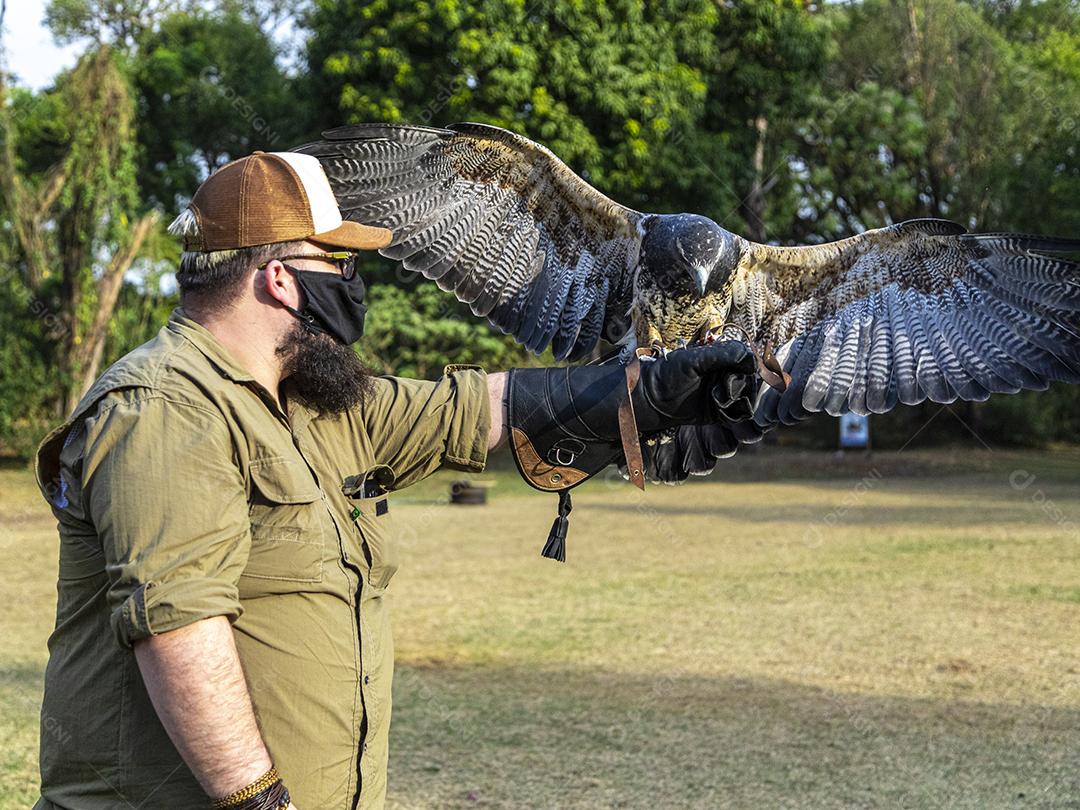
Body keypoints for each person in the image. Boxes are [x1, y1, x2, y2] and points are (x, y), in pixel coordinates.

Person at [32, 151, 758, 810]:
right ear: (281, 278)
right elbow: (179, 630)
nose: (353, 281)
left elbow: (478, 408)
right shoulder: (164, 408)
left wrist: (654, 388)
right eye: (340, 263)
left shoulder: (321, 404)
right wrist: (259, 801)